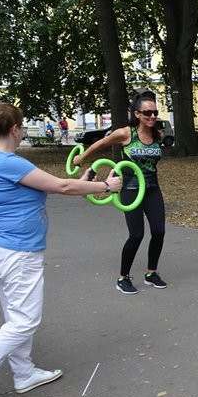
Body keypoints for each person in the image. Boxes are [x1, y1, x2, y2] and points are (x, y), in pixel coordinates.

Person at [0, 103, 123, 397]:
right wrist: (104, 186)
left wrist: (85, 182)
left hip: (5, 249)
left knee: (15, 318)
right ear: (15, 129)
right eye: (21, 127)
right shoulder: (7, 162)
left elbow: (56, 185)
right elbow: (62, 185)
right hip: (16, 254)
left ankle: (24, 372)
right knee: (23, 321)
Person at [73, 90, 167, 295]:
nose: (152, 116)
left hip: (152, 188)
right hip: (130, 189)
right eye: (147, 113)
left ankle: (151, 273)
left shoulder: (157, 135)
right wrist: (82, 158)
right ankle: (123, 277)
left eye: (155, 112)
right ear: (137, 114)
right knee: (136, 235)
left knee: (159, 231)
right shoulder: (125, 133)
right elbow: (101, 143)